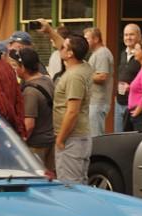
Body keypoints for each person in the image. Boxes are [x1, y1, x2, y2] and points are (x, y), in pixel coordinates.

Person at [52, 34, 93, 184]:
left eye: (63, 47)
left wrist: (60, 140)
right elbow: (62, 45)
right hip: (79, 136)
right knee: (80, 185)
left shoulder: (74, 76)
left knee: (70, 187)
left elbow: (72, 111)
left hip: (71, 138)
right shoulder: (84, 66)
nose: (59, 48)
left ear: (70, 54)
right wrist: (50, 31)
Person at [12, 47, 55, 173]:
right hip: (50, 140)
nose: (14, 69)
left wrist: (18, 143)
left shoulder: (30, 92)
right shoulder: (48, 80)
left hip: (36, 145)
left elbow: (29, 125)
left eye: (16, 65)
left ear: (23, 68)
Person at [85, 27, 113, 136]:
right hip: (94, 102)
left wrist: (84, 75)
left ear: (96, 39)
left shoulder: (102, 54)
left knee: (96, 137)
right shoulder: (96, 53)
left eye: (87, 38)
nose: (85, 41)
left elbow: (102, 76)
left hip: (98, 102)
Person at [116, 23, 141, 132]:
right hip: (119, 102)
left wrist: (130, 87)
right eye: (126, 35)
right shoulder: (123, 53)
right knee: (117, 136)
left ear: (139, 36)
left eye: (131, 34)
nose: (128, 38)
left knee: (129, 138)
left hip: (133, 105)